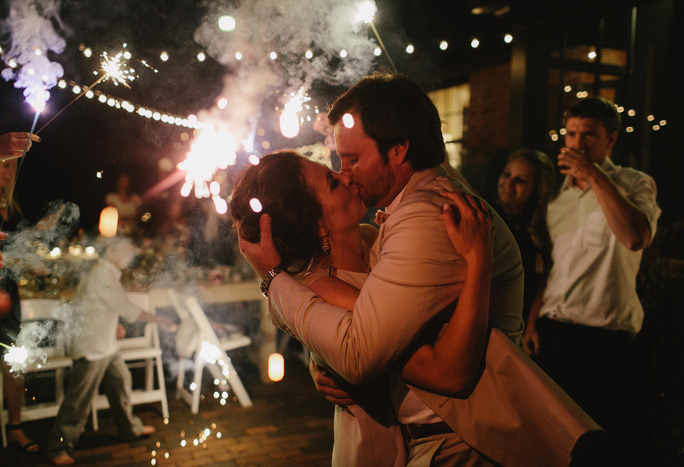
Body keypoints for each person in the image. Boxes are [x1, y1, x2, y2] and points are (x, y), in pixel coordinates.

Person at [238, 73, 600, 465]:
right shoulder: (382, 230)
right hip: (419, 439)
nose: (345, 172)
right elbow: (351, 334)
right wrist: (323, 358)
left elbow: (372, 354)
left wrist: (275, 280)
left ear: (398, 150)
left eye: (354, 159)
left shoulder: (427, 217)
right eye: (337, 166)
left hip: (461, 438)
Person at [232, 150, 495, 465]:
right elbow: (441, 368)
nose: (346, 176)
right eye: (332, 182)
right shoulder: (325, 290)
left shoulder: (372, 238)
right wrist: (479, 259)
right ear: (316, 224)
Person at [523, 97, 661, 454]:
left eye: (589, 135)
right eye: (571, 134)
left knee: (598, 444)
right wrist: (533, 321)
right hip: (554, 329)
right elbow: (551, 266)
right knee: (549, 440)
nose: (577, 144)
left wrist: (594, 176)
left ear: (610, 139)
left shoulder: (635, 183)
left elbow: (635, 237)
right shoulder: (555, 194)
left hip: (606, 336)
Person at [46, 237, 174, 466]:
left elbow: (100, 303)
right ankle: (58, 447)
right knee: (78, 400)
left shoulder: (105, 272)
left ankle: (129, 429)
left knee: (121, 380)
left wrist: (114, 323)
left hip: (106, 344)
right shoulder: (102, 273)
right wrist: (159, 320)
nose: (129, 256)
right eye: (125, 251)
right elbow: (126, 307)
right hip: (91, 345)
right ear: (113, 251)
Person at [0, 158, 40, 461]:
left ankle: (16, 428)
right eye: (4, 165)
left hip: (9, 295)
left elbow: (19, 251)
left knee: (13, 366)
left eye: (13, 167)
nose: (9, 171)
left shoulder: (13, 208)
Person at [495, 149, 556, 323]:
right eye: (507, 174)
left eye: (521, 180)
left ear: (538, 188)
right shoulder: (490, 215)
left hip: (523, 321)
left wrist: (531, 327)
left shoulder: (543, 228)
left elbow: (541, 284)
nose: (508, 183)